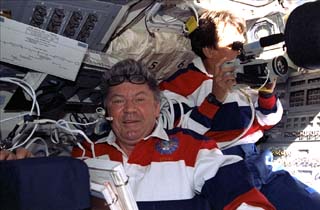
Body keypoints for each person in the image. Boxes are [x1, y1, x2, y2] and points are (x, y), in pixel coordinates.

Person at [159, 10, 320, 210]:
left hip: (259, 163)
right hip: (219, 167)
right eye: (234, 46)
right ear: (209, 49)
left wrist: (267, 94)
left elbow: (267, 121)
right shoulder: (179, 85)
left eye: (242, 45)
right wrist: (215, 98)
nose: (241, 51)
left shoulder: (244, 72)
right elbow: (172, 138)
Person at [72, 58, 276, 210]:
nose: (129, 109)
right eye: (118, 101)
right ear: (107, 110)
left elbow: (235, 192)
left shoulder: (193, 148)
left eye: (140, 99)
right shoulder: (85, 154)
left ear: (157, 108)